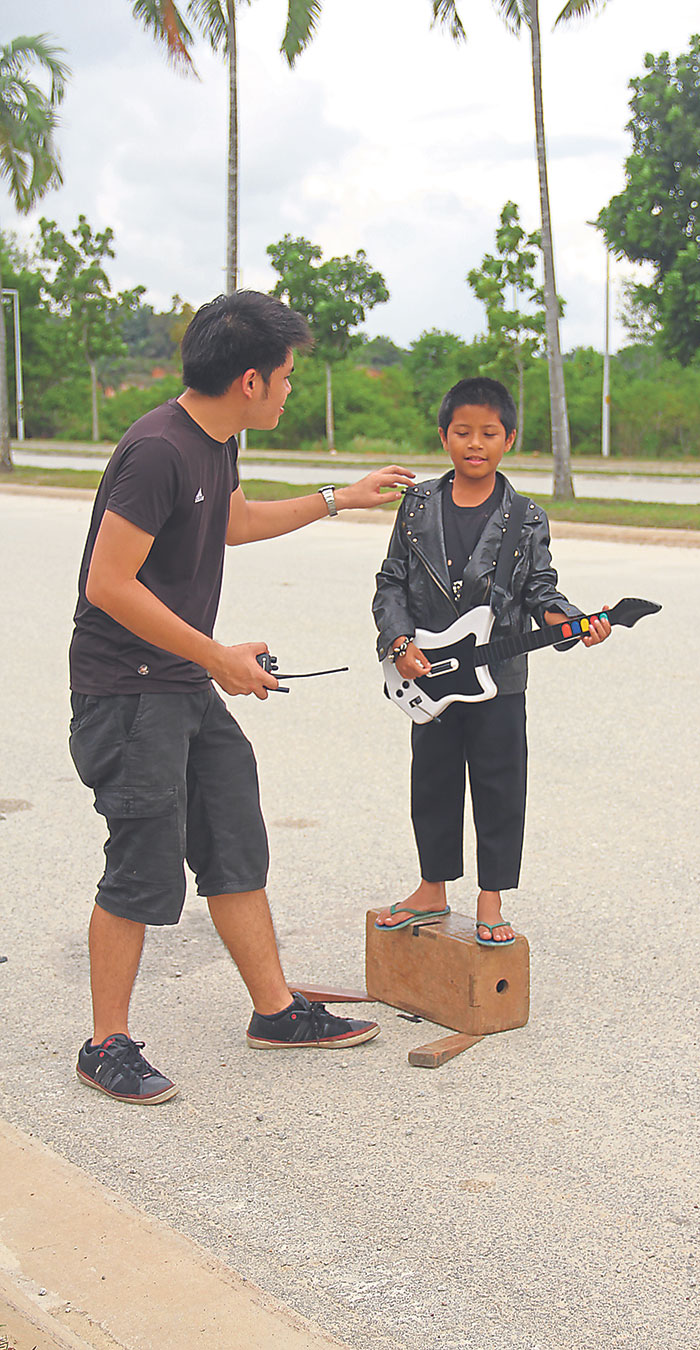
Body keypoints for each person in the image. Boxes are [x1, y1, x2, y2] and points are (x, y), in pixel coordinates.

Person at [69, 289, 415, 1104]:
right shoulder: (158, 450)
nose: (290, 389)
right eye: (287, 376)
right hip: (129, 692)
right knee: (141, 864)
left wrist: (340, 498)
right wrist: (216, 655)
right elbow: (108, 584)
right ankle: (104, 1043)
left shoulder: (214, 442)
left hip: (182, 679)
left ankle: (276, 1011)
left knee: (233, 838)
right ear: (250, 381)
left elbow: (236, 523)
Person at [372, 376, 610, 946]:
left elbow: (540, 589)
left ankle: (491, 899)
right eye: (462, 432)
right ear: (443, 437)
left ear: (509, 440)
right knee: (431, 782)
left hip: (499, 679)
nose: (474, 444)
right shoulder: (417, 506)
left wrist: (570, 620)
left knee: (500, 787)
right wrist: (399, 642)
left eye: (488, 433)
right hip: (429, 673)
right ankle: (431, 888)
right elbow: (391, 583)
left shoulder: (525, 517)